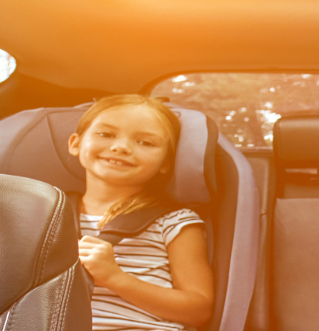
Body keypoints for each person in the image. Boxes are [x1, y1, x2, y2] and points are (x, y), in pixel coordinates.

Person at [70, 94, 214, 330]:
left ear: (166, 162)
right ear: (75, 144)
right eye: (105, 134)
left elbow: (198, 310)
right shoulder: (44, 215)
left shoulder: (174, 222)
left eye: (146, 143)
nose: (121, 147)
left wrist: (115, 277)